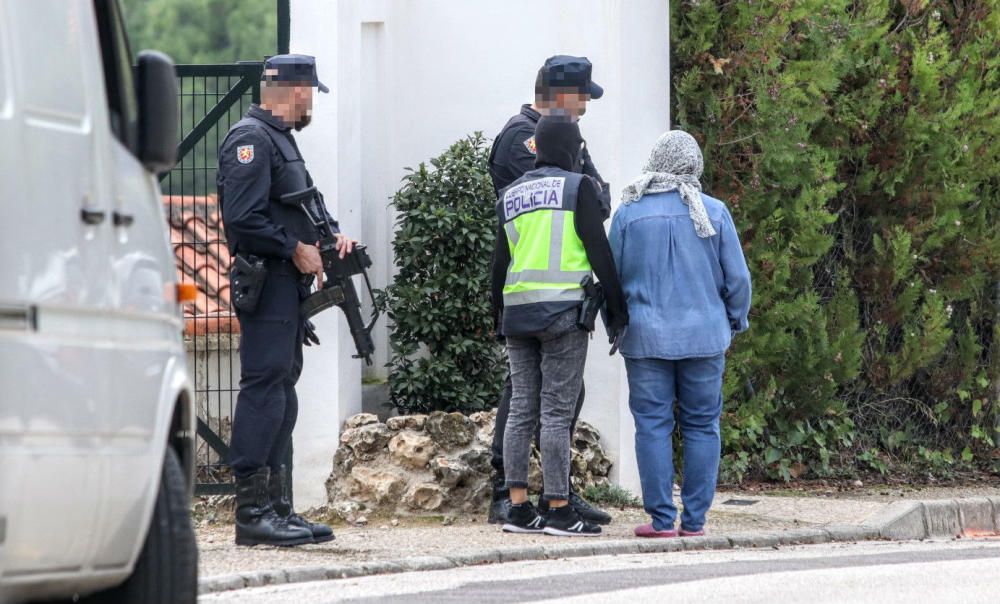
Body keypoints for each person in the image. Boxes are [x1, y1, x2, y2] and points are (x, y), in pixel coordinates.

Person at [217, 54, 355, 547]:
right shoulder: (251, 140)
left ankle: (278, 507)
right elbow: (242, 219)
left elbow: (301, 206)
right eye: (310, 93)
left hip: (287, 285)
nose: (311, 102)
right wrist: (293, 248)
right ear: (295, 90)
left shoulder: (281, 140)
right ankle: (252, 512)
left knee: (282, 390)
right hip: (268, 280)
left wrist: (330, 238)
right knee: (264, 389)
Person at [486, 55, 613, 527]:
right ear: (561, 97)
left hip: (544, 298)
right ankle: (514, 493)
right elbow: (586, 196)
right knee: (528, 401)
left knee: (551, 401)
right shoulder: (525, 137)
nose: (584, 107)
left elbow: (595, 192)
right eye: (582, 97)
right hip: (540, 298)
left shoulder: (550, 134)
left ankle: (551, 494)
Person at [609, 131, 752, 538]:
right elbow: (737, 279)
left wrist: (614, 325)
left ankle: (659, 520)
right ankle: (695, 521)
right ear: (694, 165)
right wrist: (733, 319)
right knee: (703, 425)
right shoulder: (715, 212)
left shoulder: (629, 212)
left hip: (645, 337)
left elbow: (611, 279)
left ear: (656, 161)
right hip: (705, 336)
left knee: (652, 424)